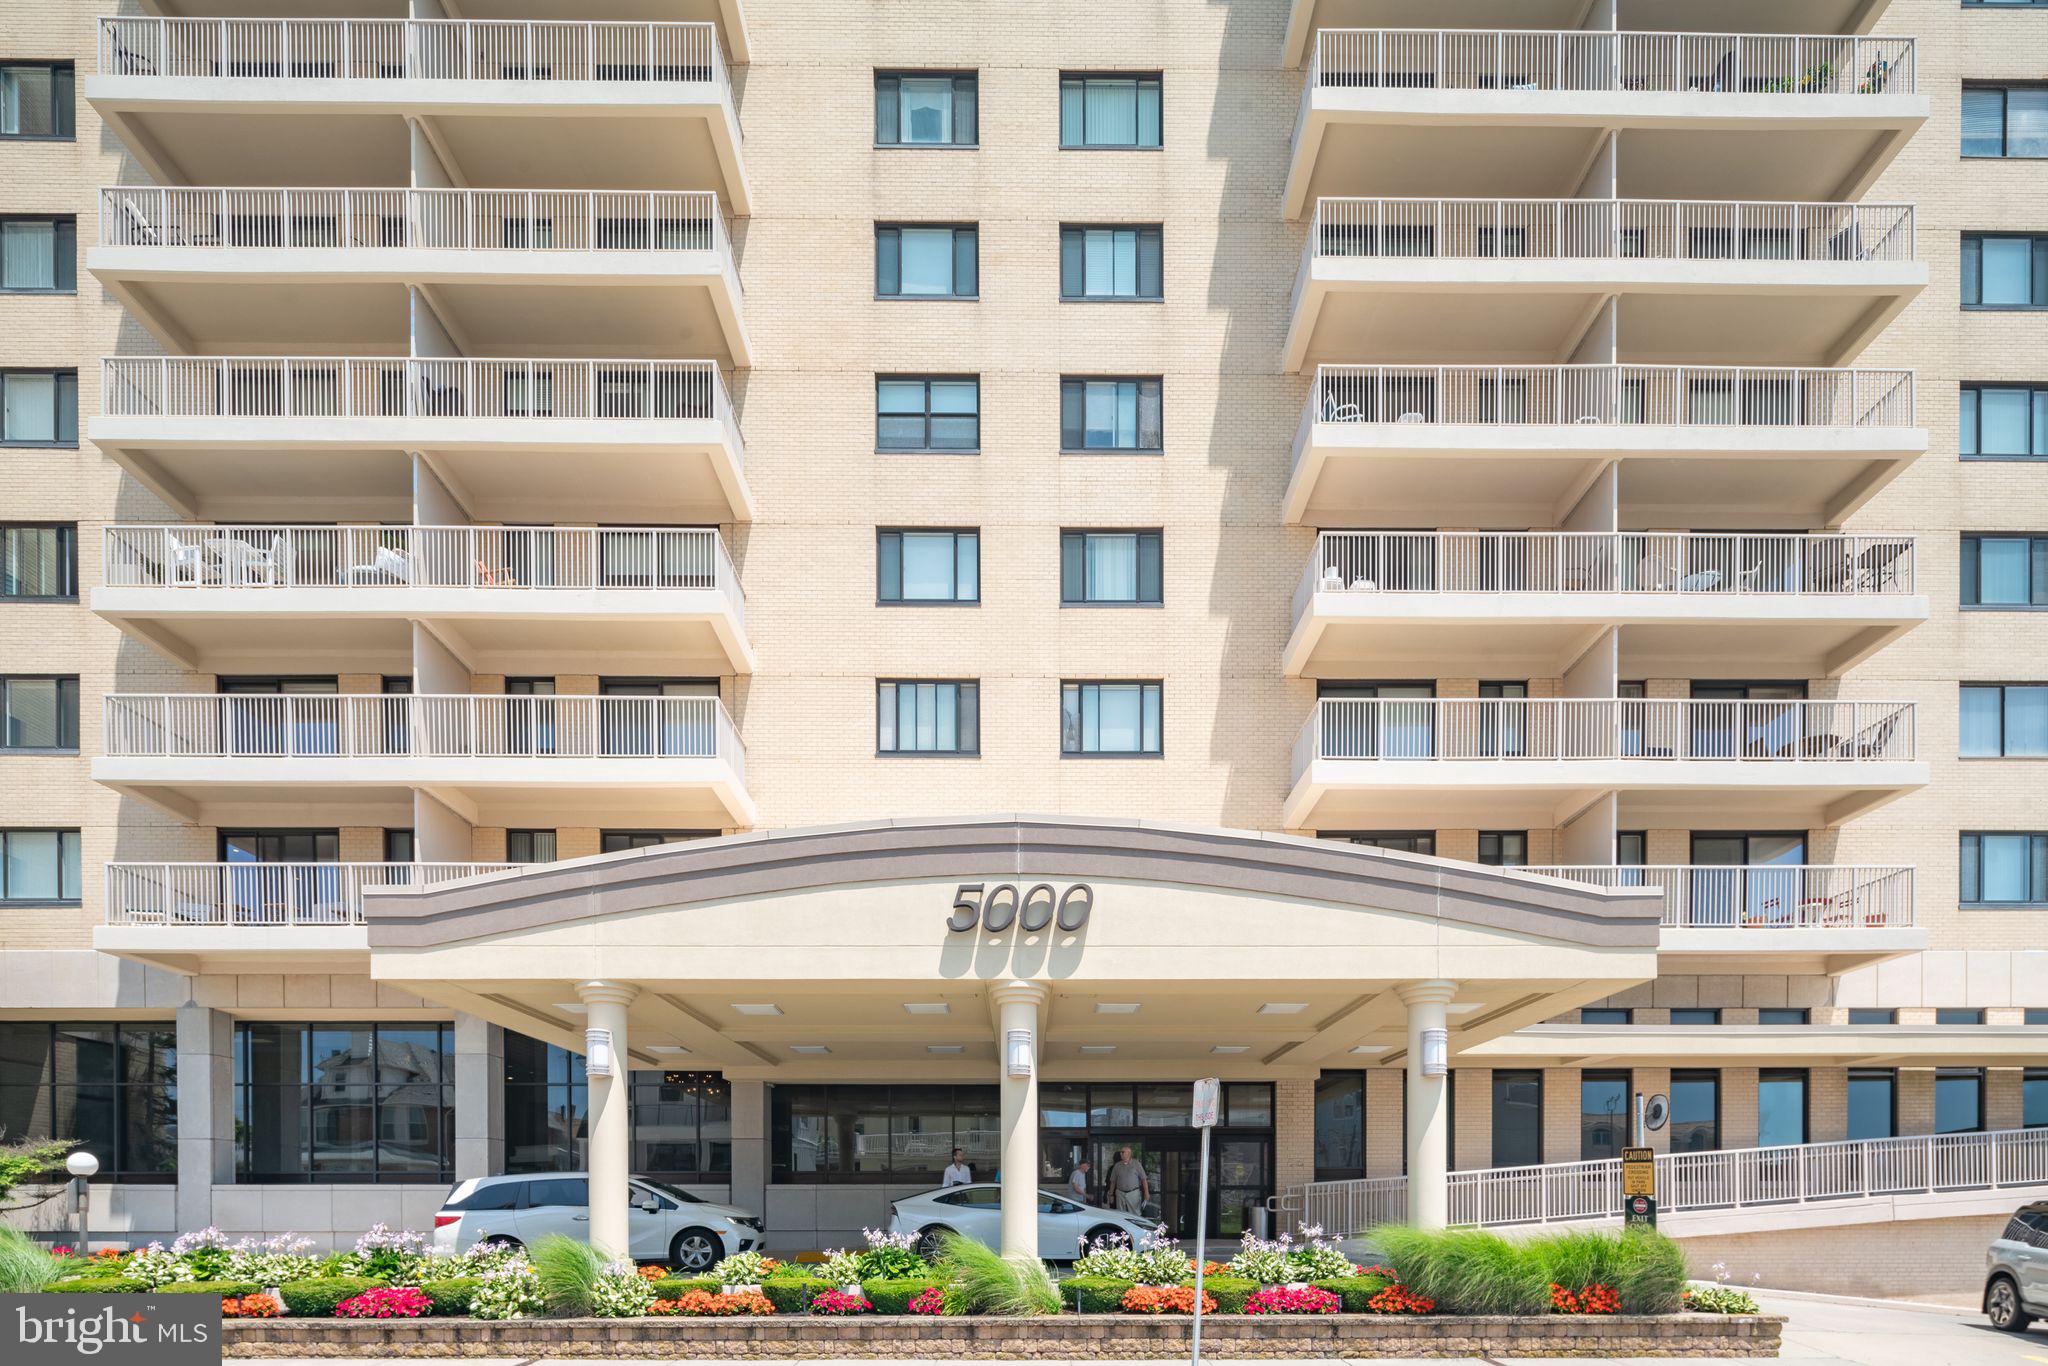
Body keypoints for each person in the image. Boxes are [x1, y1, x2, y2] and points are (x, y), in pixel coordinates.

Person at [1107, 1146, 1148, 1215]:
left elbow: (1144, 1179)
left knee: (1135, 1215)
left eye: (1123, 1152)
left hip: (1133, 1193)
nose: (1120, 1153)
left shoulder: (1136, 1164)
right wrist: (1111, 1195)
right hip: (1120, 1193)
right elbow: (1113, 1181)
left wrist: (1146, 1193)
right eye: (1120, 1152)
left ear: (1129, 1153)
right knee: (1120, 1215)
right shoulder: (1117, 1165)